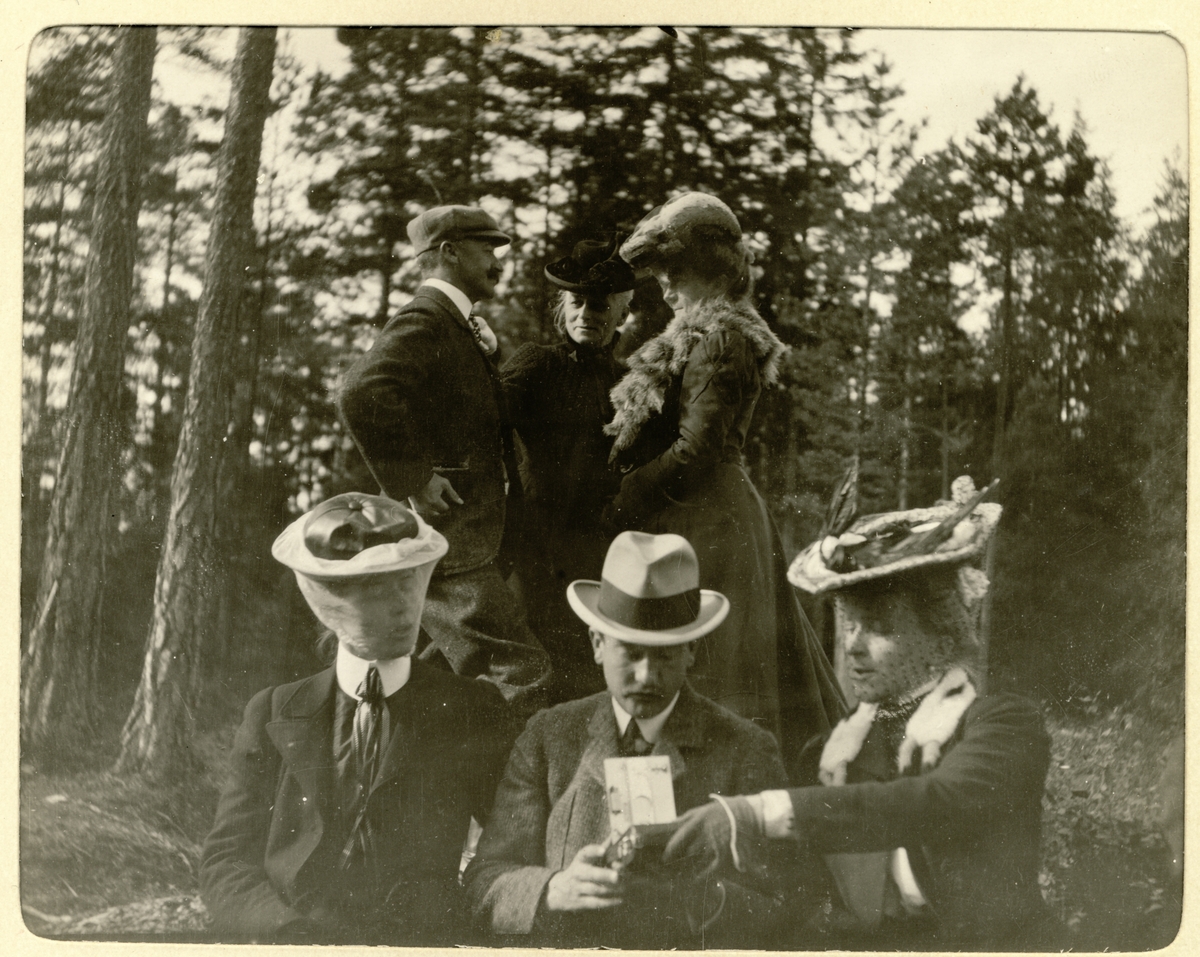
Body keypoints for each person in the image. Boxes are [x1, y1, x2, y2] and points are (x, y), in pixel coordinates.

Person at [662, 483, 1055, 949]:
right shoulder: (831, 754)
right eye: (850, 624)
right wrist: (698, 897)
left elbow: (937, 801)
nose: (853, 646)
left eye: (880, 628)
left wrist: (758, 811)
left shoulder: (1002, 725)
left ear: (941, 635)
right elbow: (799, 906)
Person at [200, 493, 516, 945]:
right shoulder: (273, 710)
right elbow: (226, 861)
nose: (398, 604)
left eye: (405, 583)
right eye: (372, 588)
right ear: (329, 598)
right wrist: (287, 933)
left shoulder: (470, 709)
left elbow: (509, 850)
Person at [464, 531, 793, 949]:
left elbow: (789, 905)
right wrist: (552, 889)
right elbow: (482, 880)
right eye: (631, 652)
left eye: (667, 655)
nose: (646, 675)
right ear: (597, 644)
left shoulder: (745, 750)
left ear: (692, 650)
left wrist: (700, 902)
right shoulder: (549, 739)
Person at [609, 191, 844, 774]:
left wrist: (625, 495)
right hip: (704, 508)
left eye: (676, 275)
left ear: (709, 274)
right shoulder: (703, 333)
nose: (665, 289)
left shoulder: (721, 337)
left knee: (716, 661)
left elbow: (697, 450)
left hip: (707, 516)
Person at [338, 205, 550, 716]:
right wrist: (415, 478)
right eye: (488, 249)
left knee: (429, 672)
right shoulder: (427, 316)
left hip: (465, 535)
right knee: (522, 674)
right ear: (450, 252)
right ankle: (511, 792)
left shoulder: (458, 325)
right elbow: (362, 391)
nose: (499, 261)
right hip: (450, 537)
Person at [500, 236, 636, 702]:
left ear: (621, 313)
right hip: (534, 549)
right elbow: (482, 419)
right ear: (563, 307)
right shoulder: (536, 364)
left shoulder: (628, 382)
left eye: (599, 306)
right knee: (530, 672)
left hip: (598, 551)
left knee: (589, 674)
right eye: (577, 303)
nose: (586, 315)